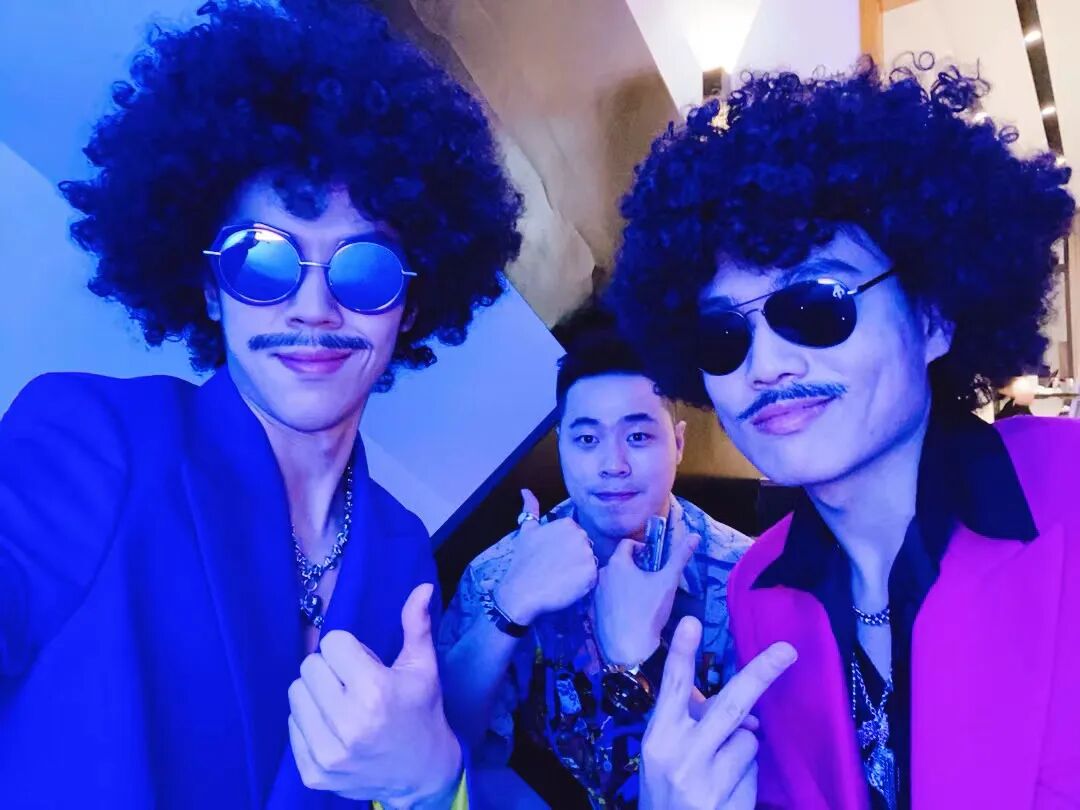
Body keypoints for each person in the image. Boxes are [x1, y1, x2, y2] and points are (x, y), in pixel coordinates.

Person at [0, 1, 522, 807]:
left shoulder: (403, 551)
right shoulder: (94, 441)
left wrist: (433, 779)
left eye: (365, 271)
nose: (314, 308)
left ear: (411, 305)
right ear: (212, 288)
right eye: (263, 260)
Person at [609, 60, 1079, 809]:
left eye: (818, 304)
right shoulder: (758, 591)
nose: (765, 364)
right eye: (723, 335)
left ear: (933, 317)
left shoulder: (1069, 490)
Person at [437, 329, 752, 808]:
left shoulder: (743, 577)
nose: (613, 464)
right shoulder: (498, 572)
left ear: (678, 442)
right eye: (587, 439)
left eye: (638, 436)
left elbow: (766, 774)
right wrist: (510, 608)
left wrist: (643, 655)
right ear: (561, 445)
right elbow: (441, 746)